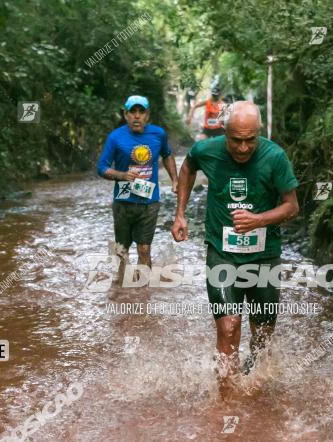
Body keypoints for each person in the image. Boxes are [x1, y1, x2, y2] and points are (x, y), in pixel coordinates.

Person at [171, 101, 299, 399]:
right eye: (236, 140)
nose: (243, 148)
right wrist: (180, 213)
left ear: (259, 133)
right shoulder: (207, 151)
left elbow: (292, 206)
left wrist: (258, 220)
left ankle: (253, 392)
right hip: (222, 253)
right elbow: (188, 167)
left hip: (264, 256)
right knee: (229, 327)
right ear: (223, 132)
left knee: (262, 334)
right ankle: (227, 402)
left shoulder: (275, 158)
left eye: (250, 140)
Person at [97, 95, 177, 280]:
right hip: (123, 202)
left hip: (149, 201)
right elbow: (101, 167)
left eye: (141, 112)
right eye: (132, 112)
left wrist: (175, 180)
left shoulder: (158, 134)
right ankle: (121, 287)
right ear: (125, 115)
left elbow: (167, 155)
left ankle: (142, 292)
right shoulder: (115, 137)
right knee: (122, 251)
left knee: (144, 248)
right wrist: (122, 175)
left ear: (147, 115)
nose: (137, 116)